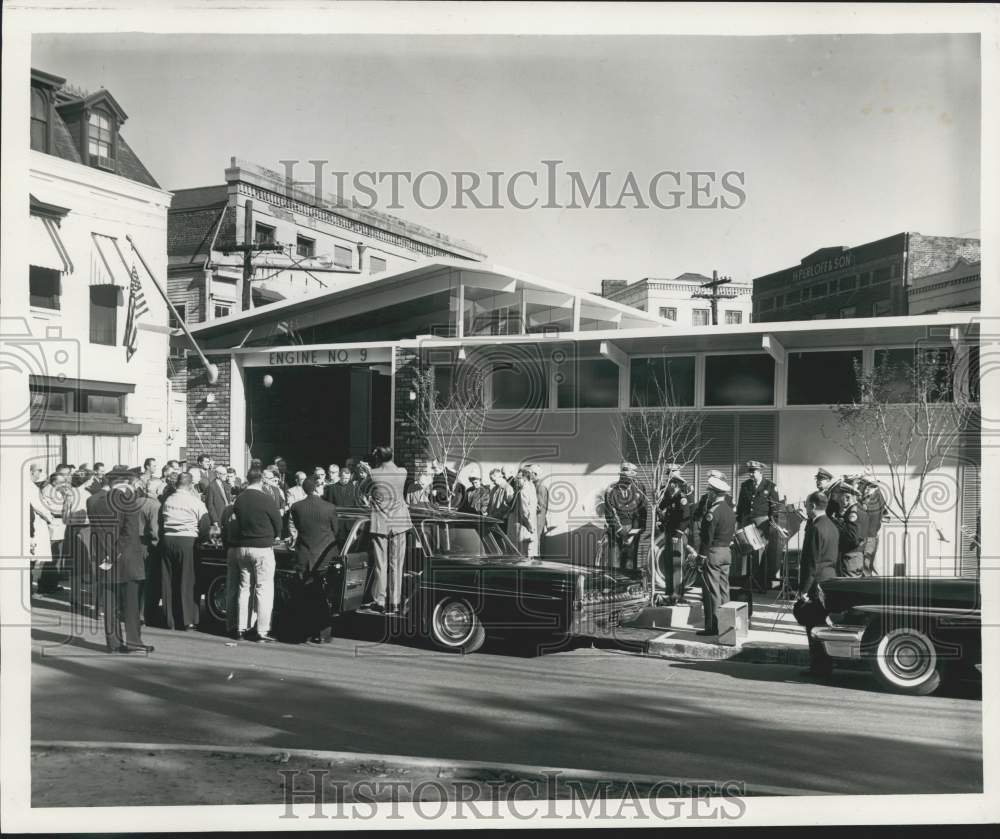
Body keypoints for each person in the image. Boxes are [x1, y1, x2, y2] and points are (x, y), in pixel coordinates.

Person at [86, 466, 153, 653]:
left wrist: (106, 557)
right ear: (124, 483)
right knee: (131, 605)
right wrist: (113, 554)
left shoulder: (91, 500)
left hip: (102, 558)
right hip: (127, 559)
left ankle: (113, 643)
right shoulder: (127, 501)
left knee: (109, 604)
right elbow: (128, 533)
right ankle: (133, 641)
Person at [227, 466, 283, 642]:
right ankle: (262, 630)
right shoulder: (266, 499)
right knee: (263, 588)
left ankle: (241, 628)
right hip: (262, 547)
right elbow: (278, 524)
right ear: (261, 480)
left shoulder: (239, 500)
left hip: (243, 547)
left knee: (244, 588)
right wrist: (274, 535)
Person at [289, 478, 341, 643]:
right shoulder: (329, 508)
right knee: (322, 595)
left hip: (305, 556)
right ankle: (323, 633)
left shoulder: (296, 507)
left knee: (306, 594)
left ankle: (306, 630)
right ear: (317, 489)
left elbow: (297, 527)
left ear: (304, 490)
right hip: (325, 556)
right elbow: (336, 530)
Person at [796, 491, 841, 677]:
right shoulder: (832, 526)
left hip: (816, 582)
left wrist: (803, 590)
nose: (806, 509)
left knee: (813, 627)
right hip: (829, 578)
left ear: (813, 506)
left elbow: (811, 562)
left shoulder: (815, 528)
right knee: (822, 625)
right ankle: (826, 665)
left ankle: (819, 667)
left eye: (807, 505)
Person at [160, 473, 211, 630]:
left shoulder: (168, 500)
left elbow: (161, 520)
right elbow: (205, 525)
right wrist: (200, 540)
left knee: (168, 579)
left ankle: (169, 618)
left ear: (177, 484)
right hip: (187, 540)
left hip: (168, 539)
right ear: (190, 486)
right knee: (187, 580)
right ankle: (187, 619)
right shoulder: (195, 502)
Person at [366, 446, 412, 615]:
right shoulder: (403, 472)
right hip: (399, 522)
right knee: (397, 565)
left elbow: (364, 491)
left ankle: (380, 600)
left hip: (380, 523)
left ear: (378, 458)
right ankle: (395, 603)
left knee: (381, 565)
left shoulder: (373, 473)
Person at [693, 474, 736, 638]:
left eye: (709, 492)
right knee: (725, 590)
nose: (708, 494)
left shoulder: (712, 513)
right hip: (727, 553)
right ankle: (727, 625)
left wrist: (700, 557)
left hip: (713, 553)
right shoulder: (729, 511)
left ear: (713, 493)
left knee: (712, 591)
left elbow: (706, 539)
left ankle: (714, 626)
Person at [735, 460, 780, 592]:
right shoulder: (745, 485)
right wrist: (739, 521)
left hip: (762, 522)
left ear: (760, 472)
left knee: (760, 552)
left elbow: (775, 508)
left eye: (753, 472)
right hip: (747, 521)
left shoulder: (770, 486)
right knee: (747, 551)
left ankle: (761, 582)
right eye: (750, 471)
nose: (751, 474)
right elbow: (741, 505)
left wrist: (773, 524)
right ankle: (748, 580)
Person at [656, 466, 696, 600]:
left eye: (672, 482)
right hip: (669, 532)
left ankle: (677, 593)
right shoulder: (669, 495)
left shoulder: (681, 497)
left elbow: (686, 518)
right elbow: (660, 508)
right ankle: (669, 591)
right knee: (669, 562)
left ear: (677, 484)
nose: (669, 484)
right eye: (669, 481)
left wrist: (678, 534)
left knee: (677, 563)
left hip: (678, 534)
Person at [603, 462, 649, 574]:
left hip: (633, 528)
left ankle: (628, 589)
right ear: (621, 476)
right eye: (627, 478)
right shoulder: (611, 491)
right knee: (615, 564)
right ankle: (614, 590)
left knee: (630, 563)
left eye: (632, 478)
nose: (629, 481)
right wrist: (623, 533)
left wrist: (636, 531)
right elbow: (610, 514)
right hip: (616, 530)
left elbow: (643, 509)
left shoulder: (639, 487)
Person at [137, 478, 163, 625]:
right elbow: (155, 531)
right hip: (146, 545)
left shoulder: (134, 502)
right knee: (147, 581)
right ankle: (142, 614)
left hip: (131, 543)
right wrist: (157, 545)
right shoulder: (155, 506)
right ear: (157, 490)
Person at [834, 479, 865, 577]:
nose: (838, 502)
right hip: (855, 557)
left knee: (848, 588)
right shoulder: (860, 510)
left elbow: (852, 538)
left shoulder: (852, 513)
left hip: (850, 558)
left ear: (847, 497)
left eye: (840, 498)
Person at [859, 474, 885, 576]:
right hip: (871, 535)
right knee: (868, 564)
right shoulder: (875, 496)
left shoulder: (874, 498)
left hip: (869, 535)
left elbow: (868, 516)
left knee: (866, 564)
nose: (863, 488)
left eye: (864, 484)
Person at [510, 467, 539, 557]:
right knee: (528, 553)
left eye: (519, 478)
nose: (516, 480)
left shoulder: (523, 490)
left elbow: (524, 511)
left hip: (525, 527)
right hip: (528, 525)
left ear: (525, 478)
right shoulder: (531, 487)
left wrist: (529, 526)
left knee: (524, 554)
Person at [527, 465, 549, 556]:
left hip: (538, 520)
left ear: (534, 474)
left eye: (529, 473)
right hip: (536, 519)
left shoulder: (540, 486)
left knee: (537, 543)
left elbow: (539, 507)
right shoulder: (535, 485)